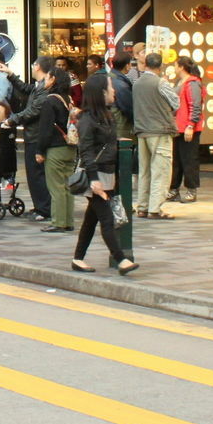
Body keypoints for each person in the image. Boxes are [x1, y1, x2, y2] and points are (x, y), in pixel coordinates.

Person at [70, 72, 137, 276]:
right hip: (97, 176)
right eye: (111, 86)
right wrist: (94, 179)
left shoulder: (107, 115)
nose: (114, 90)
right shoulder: (88, 120)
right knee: (107, 219)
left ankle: (78, 258)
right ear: (101, 92)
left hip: (107, 174)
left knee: (92, 219)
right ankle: (121, 259)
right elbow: (86, 152)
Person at [13, 57, 64, 221]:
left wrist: (12, 119)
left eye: (33, 65)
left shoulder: (44, 90)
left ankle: (45, 209)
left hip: (36, 136)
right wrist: (10, 75)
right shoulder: (38, 87)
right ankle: (39, 207)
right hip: (32, 135)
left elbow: (33, 111)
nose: (32, 67)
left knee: (37, 174)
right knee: (33, 174)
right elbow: (26, 89)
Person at [131, 52, 178, 218]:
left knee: (144, 171)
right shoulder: (161, 82)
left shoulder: (136, 83)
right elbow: (175, 102)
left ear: (146, 64)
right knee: (161, 169)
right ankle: (155, 209)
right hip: (159, 129)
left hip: (141, 131)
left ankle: (142, 206)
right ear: (160, 66)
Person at [168, 60, 204, 203]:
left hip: (188, 127)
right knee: (176, 160)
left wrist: (191, 125)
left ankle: (191, 189)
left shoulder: (193, 83)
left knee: (189, 159)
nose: (174, 68)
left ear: (181, 67)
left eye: (176, 65)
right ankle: (174, 189)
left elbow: (195, 105)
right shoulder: (180, 82)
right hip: (178, 127)